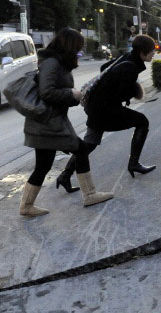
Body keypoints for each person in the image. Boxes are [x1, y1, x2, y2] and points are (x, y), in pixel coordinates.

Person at [20, 27, 113, 216]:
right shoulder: (52, 63)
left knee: (43, 165)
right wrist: (71, 93)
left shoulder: (55, 62)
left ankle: (26, 206)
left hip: (48, 123)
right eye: (78, 47)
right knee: (81, 149)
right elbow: (47, 92)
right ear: (69, 45)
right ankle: (90, 194)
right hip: (49, 124)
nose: (80, 51)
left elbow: (54, 93)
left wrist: (75, 98)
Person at [55, 34, 157, 192]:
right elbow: (120, 93)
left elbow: (104, 69)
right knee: (142, 121)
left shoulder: (126, 58)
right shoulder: (130, 68)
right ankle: (134, 163)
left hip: (97, 107)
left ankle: (65, 176)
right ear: (142, 53)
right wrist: (132, 91)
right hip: (105, 110)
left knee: (90, 144)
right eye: (151, 52)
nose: (154, 54)